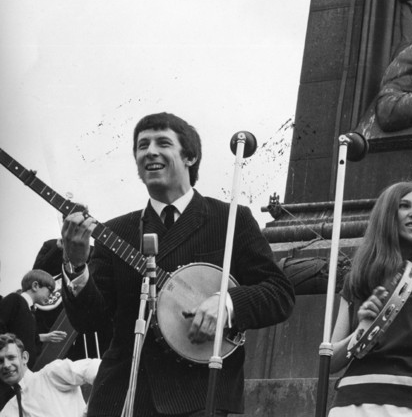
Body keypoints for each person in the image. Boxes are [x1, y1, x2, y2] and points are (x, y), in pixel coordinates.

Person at [59, 112, 295, 417]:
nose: (150, 151)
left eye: (162, 142)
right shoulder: (116, 232)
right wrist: (77, 265)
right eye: (142, 145)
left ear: (190, 156)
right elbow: (92, 322)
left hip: (199, 395)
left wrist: (225, 304)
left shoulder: (231, 219)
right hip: (122, 397)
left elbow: (279, 293)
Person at [328, 181, 412, 416]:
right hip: (353, 402)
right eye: (405, 206)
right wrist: (362, 331)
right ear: (386, 215)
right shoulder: (359, 276)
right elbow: (330, 363)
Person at [0, 333, 100, 417]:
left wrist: (91, 412)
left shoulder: (51, 374)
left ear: (24, 358)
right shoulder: (7, 412)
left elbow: (96, 368)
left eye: (11, 357)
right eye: (0, 361)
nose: (6, 365)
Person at [0, 270, 67, 368]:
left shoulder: (31, 314)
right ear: (35, 286)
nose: (51, 295)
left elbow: (23, 336)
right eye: (49, 290)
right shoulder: (14, 300)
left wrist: (46, 337)